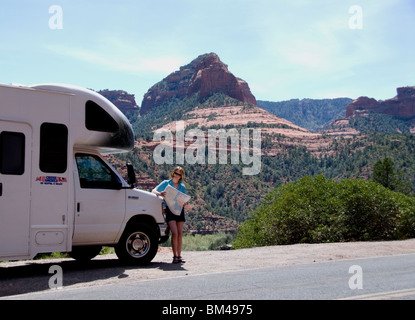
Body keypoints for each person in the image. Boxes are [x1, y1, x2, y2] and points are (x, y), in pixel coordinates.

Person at [152, 166, 189, 264]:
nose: (177, 176)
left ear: (181, 176)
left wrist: (185, 203)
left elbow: (183, 198)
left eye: (179, 174)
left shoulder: (182, 186)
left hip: (179, 210)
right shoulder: (166, 183)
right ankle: (174, 256)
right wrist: (160, 193)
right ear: (173, 173)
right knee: (175, 232)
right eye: (176, 173)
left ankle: (179, 256)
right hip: (170, 210)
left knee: (180, 234)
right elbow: (153, 190)